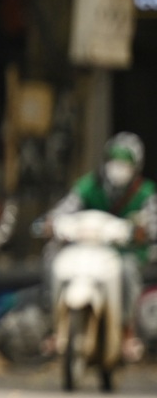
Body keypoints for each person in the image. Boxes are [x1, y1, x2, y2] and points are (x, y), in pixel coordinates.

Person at [45, 131, 156, 324]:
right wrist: (52, 222)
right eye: (114, 160)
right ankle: (53, 321)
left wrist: (144, 230)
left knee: (128, 270)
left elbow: (153, 223)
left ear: (136, 166)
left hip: (125, 251)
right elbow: (66, 208)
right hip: (87, 249)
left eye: (124, 162)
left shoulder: (145, 192)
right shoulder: (89, 185)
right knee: (53, 256)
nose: (117, 167)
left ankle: (127, 329)